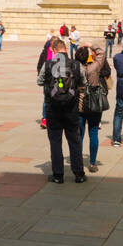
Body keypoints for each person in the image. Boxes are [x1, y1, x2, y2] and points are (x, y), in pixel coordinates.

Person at [40, 37, 84, 182]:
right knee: (74, 141)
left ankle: (58, 175)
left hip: (53, 109)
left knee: (55, 141)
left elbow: (39, 81)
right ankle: (79, 174)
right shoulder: (76, 65)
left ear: (53, 50)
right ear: (65, 49)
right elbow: (82, 82)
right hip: (71, 108)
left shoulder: (47, 65)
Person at [77, 45, 110, 172]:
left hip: (80, 105)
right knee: (93, 132)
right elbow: (101, 52)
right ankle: (92, 162)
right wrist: (90, 45)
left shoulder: (76, 69)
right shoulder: (94, 67)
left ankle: (78, 160)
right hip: (94, 104)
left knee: (79, 134)